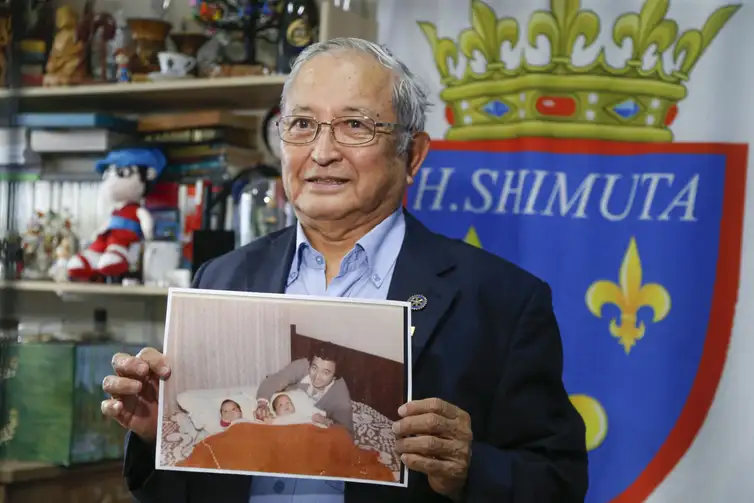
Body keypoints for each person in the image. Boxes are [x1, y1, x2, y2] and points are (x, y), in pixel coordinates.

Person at [101, 37, 588, 502]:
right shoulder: (221, 279)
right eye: (302, 125)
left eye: (356, 126)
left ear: (412, 155)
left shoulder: (501, 299)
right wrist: (157, 431)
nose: (322, 152)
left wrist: (468, 470)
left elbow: (558, 482)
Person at [254, 344, 353, 434]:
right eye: (314, 368)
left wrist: (327, 423)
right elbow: (274, 380)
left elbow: (346, 433)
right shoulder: (302, 365)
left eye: (325, 373)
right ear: (309, 364)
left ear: (334, 376)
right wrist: (262, 404)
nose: (317, 377)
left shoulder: (340, 395)